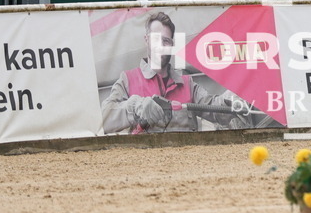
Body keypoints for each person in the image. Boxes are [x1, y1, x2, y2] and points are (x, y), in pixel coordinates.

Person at [101, 11, 248, 133]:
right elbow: (104, 119)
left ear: (172, 45)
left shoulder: (187, 84)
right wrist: (135, 107)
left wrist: (231, 98)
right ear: (146, 40)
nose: (161, 45)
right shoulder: (128, 80)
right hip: (144, 165)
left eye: (166, 41)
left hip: (185, 164)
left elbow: (214, 108)